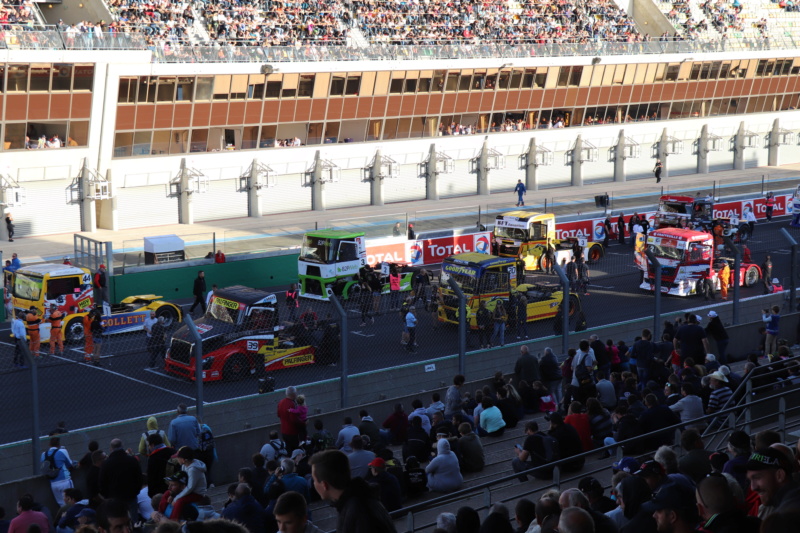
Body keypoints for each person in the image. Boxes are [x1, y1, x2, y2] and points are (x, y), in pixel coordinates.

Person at [309, 449, 396, 532]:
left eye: (314, 480)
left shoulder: (357, 512)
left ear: (324, 485)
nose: (314, 484)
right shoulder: (359, 499)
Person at [42, 437, 75, 506]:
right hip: (65, 481)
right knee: (72, 502)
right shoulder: (62, 451)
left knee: (62, 505)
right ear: (59, 444)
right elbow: (70, 465)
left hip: (53, 484)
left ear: (49, 444)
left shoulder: (43, 455)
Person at [277, 386, 301, 452]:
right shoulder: (292, 404)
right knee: (296, 451)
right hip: (292, 432)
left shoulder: (281, 402)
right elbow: (294, 419)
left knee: (288, 450)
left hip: (284, 431)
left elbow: (278, 414)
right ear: (293, 394)